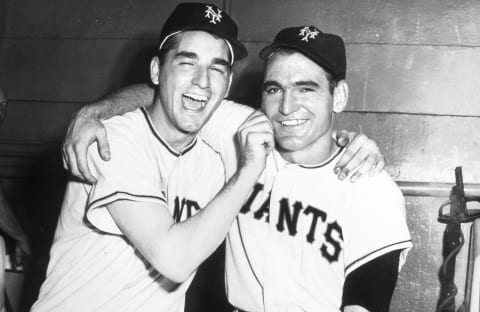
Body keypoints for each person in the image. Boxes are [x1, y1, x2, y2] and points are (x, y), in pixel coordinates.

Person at [64, 24, 412, 312]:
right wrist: (96, 111)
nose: (287, 106)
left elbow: (366, 302)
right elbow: (171, 96)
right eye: (275, 89)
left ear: (338, 97)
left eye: (306, 89)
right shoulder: (245, 134)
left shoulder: (370, 186)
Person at [31, 3, 275, 311]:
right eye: (187, 63)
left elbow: (292, 136)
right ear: (156, 70)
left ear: (227, 84)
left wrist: (350, 148)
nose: (202, 81)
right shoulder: (111, 140)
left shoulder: (214, 154)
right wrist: (249, 169)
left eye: (216, 68)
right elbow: (174, 260)